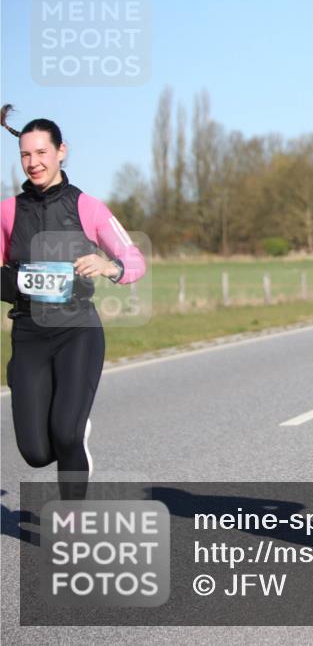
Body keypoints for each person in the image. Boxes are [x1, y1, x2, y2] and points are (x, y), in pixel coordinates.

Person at [0, 105, 146, 501]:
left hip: (77, 329)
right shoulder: (8, 212)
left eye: (41, 153)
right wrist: (15, 282)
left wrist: (108, 265)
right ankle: (74, 435)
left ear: (61, 151)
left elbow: (135, 260)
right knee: (35, 453)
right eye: (25, 155)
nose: (33, 162)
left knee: (65, 433)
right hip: (29, 333)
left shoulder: (88, 207)